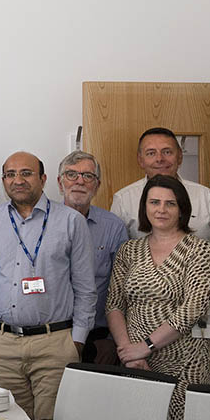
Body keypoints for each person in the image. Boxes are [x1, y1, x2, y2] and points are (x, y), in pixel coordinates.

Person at [0, 151, 96, 420]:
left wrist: (76, 341)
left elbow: (86, 288)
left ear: (43, 179)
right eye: (10, 174)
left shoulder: (70, 221)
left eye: (26, 173)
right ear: (3, 180)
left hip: (55, 344)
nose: (18, 180)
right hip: (1, 346)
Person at [107, 175, 210, 420]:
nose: (161, 209)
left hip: (187, 364)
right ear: (144, 206)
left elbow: (194, 307)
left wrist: (146, 345)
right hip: (137, 365)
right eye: (154, 202)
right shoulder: (129, 250)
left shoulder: (200, 250)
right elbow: (114, 304)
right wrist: (128, 351)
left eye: (171, 203)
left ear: (183, 209)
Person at [56, 151, 129, 365]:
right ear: (60, 183)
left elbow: (122, 289)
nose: (79, 181)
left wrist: (111, 339)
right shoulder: (43, 223)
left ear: (96, 186)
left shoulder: (113, 227)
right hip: (52, 335)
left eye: (88, 176)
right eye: (71, 175)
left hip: (98, 340)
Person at [111, 127, 210, 243]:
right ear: (140, 160)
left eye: (167, 152)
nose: (160, 159)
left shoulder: (208, 197)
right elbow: (117, 251)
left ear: (180, 157)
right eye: (151, 153)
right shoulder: (123, 200)